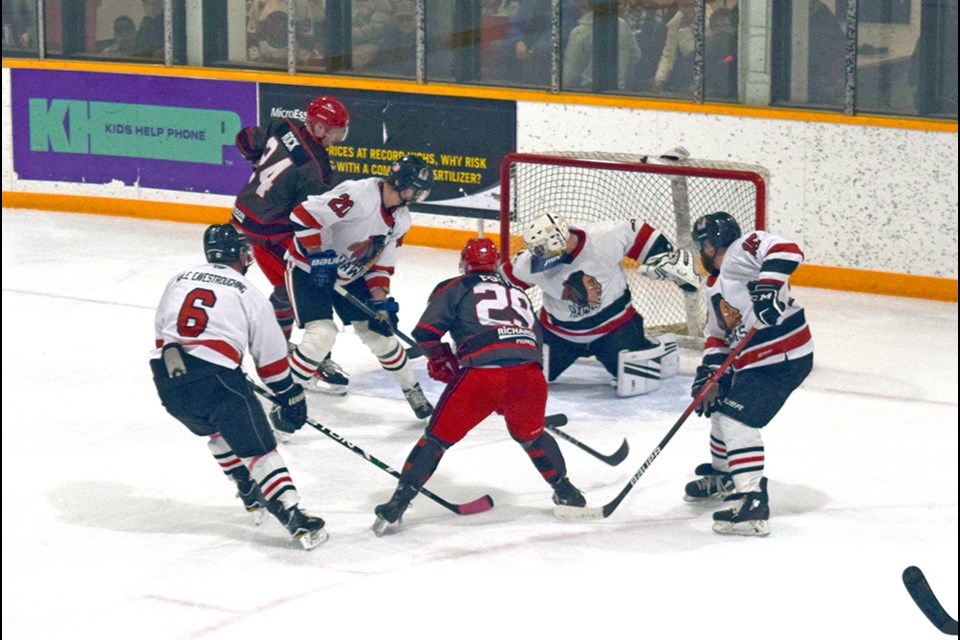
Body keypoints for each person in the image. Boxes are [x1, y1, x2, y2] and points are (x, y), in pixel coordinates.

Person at [371, 238, 586, 535]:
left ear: (464, 263)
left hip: (483, 377)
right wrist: (511, 395)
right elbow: (530, 343)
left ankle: (397, 505)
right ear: (495, 264)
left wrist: (441, 358)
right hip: (531, 377)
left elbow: (426, 334)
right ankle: (567, 493)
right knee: (532, 438)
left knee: (435, 440)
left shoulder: (455, 286)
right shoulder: (518, 293)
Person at [149, 224, 327, 550]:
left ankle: (247, 489)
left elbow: (163, 332)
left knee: (217, 431)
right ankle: (292, 514)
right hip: (216, 380)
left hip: (167, 380)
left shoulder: (178, 279)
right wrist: (288, 394)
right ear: (243, 254)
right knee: (260, 449)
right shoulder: (248, 291)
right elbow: (271, 359)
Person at [683, 211, 813, 536]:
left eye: (702, 245)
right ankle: (725, 475)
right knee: (719, 408)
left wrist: (768, 287)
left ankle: (753, 500)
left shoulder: (741, 251)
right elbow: (717, 336)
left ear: (711, 245)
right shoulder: (713, 287)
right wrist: (710, 374)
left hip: (783, 357)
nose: (701, 252)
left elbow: (787, 249)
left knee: (736, 421)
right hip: (757, 362)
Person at [285, 154, 436, 419]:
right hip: (307, 269)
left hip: (349, 276)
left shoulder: (401, 220)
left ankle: (411, 389)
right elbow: (302, 215)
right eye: (416, 189)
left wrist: (381, 303)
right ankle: (285, 396)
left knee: (381, 337)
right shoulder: (359, 195)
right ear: (403, 184)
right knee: (322, 334)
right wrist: (318, 256)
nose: (417, 196)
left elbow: (380, 267)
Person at [500, 211, 699, 396]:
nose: (537, 257)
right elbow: (499, 285)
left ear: (558, 242)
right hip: (559, 335)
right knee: (527, 382)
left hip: (614, 329)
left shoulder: (604, 238)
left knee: (634, 383)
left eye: (543, 250)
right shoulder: (531, 263)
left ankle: (659, 346)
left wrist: (667, 258)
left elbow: (639, 232)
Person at [231, 95, 351, 395]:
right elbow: (305, 219)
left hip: (245, 214)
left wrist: (256, 162)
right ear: (320, 127)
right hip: (266, 231)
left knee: (294, 289)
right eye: (336, 130)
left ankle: (296, 351)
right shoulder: (317, 170)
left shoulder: (284, 125)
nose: (339, 136)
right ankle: (280, 355)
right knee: (295, 289)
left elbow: (245, 138)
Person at [562, 0, 641, 91]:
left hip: (588, 95)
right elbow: (636, 56)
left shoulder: (579, 32)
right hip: (619, 94)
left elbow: (568, 77)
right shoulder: (623, 25)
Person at [653, 0, 695, 93]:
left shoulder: (709, 18)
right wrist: (660, 78)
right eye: (683, 6)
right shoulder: (675, 22)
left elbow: (696, 52)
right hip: (686, 74)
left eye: (691, 5)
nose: (688, 10)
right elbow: (668, 54)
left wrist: (686, 30)